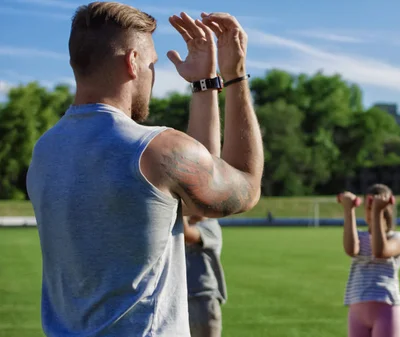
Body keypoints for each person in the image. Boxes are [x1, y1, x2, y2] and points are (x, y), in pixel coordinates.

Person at [26, 2, 263, 336]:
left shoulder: (45, 151)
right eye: (152, 64)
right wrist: (235, 76)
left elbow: (195, 198)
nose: (153, 75)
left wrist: (205, 86)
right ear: (133, 63)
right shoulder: (155, 149)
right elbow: (246, 187)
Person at [339, 184, 400, 337]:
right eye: (368, 208)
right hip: (357, 309)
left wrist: (377, 211)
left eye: (374, 208)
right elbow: (351, 250)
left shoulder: (398, 238)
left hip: (386, 309)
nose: (371, 212)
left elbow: (380, 251)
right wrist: (348, 210)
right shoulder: (360, 237)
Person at [184, 215, 227, 337]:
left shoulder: (211, 225)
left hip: (204, 300)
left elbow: (187, 234)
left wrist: (177, 210)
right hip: (183, 297)